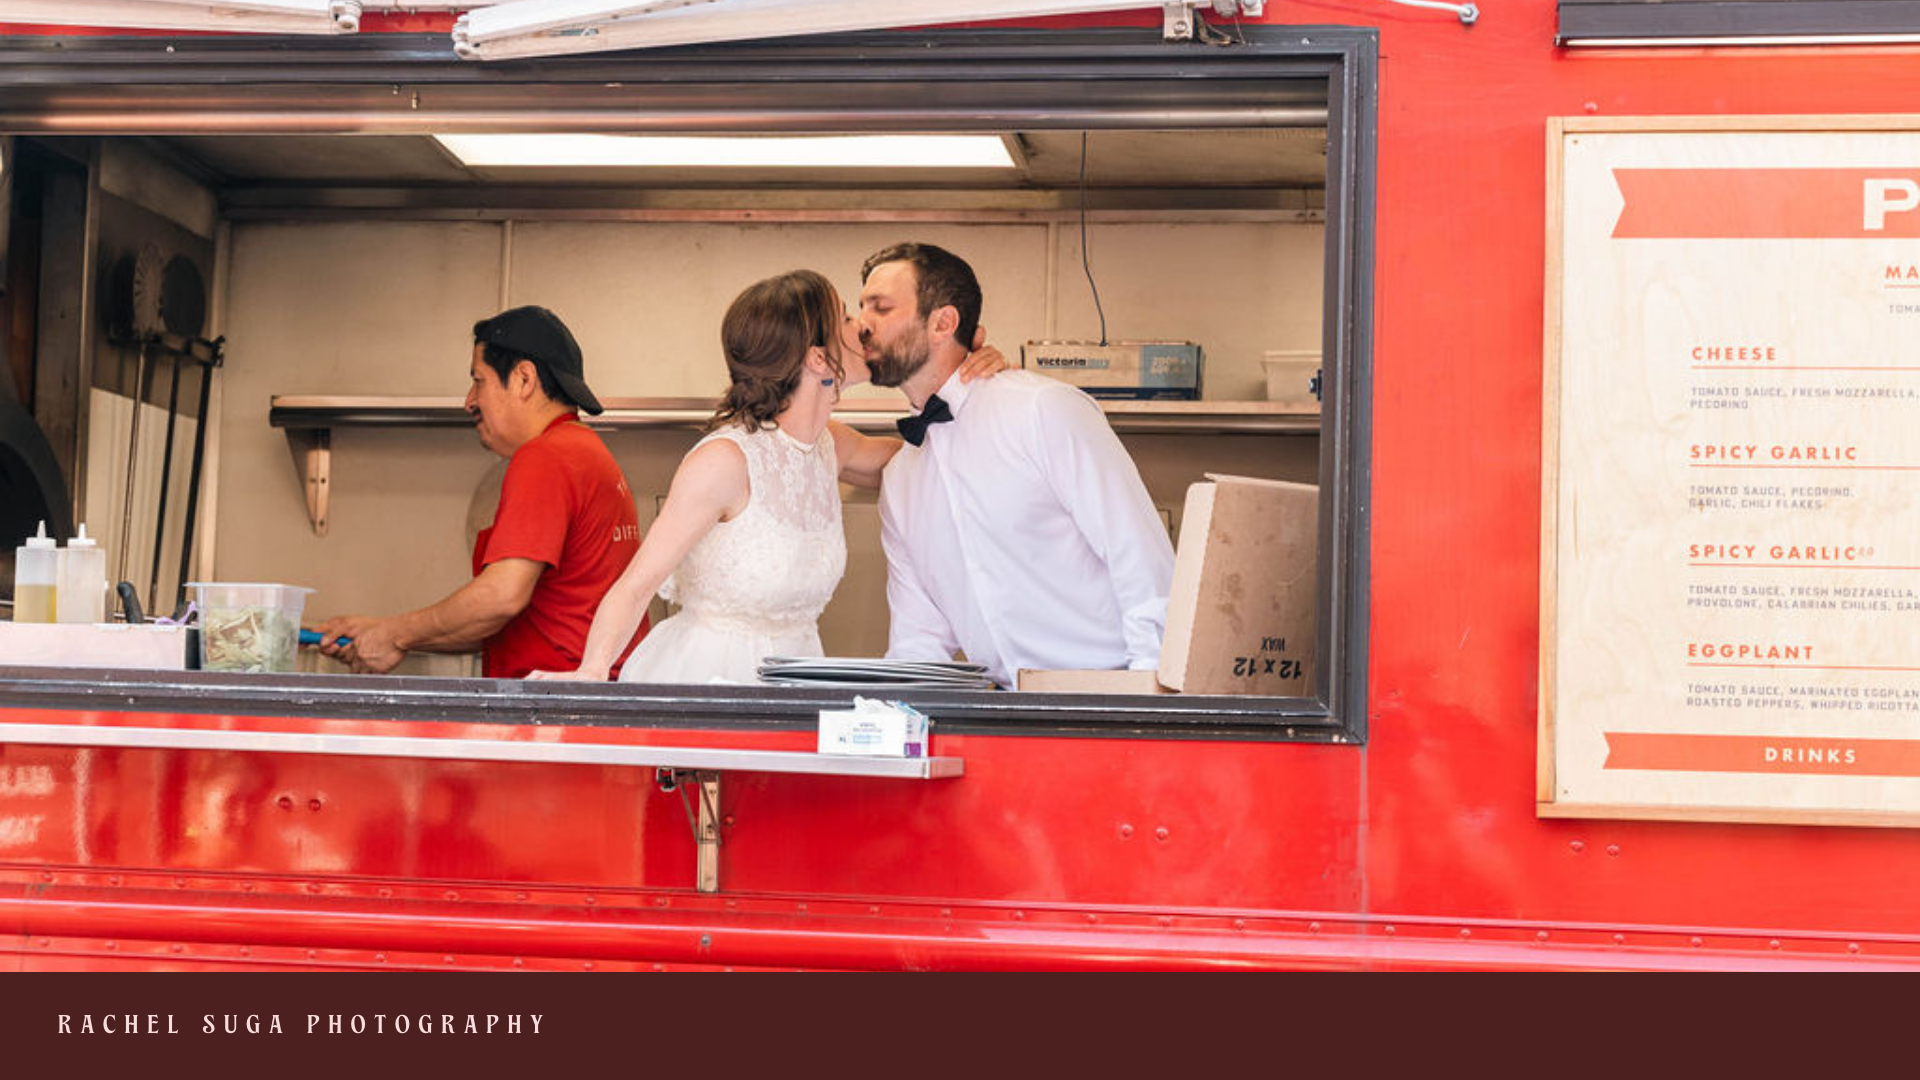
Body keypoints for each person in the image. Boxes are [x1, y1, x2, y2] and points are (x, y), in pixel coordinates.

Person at [528, 270, 1004, 685]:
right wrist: (592, 671)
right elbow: (636, 584)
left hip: (795, 678)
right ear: (818, 359)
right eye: (845, 317)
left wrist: (976, 386)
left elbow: (935, 461)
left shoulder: (830, 445)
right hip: (708, 680)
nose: (862, 327)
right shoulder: (724, 461)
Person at [859, 242, 1175, 689]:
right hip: (1006, 716)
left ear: (943, 323)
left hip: (1115, 695)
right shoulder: (902, 478)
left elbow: (1141, 560)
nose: (861, 326)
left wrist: (1153, 703)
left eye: (881, 308)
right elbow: (920, 642)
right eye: (860, 309)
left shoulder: (1043, 410)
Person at [316, 306, 648, 678]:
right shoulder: (587, 453)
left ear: (524, 379)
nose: (469, 401)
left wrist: (395, 635)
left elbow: (500, 597)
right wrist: (382, 631)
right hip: (587, 700)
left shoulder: (546, 456)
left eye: (479, 380)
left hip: (554, 707)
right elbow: (527, 619)